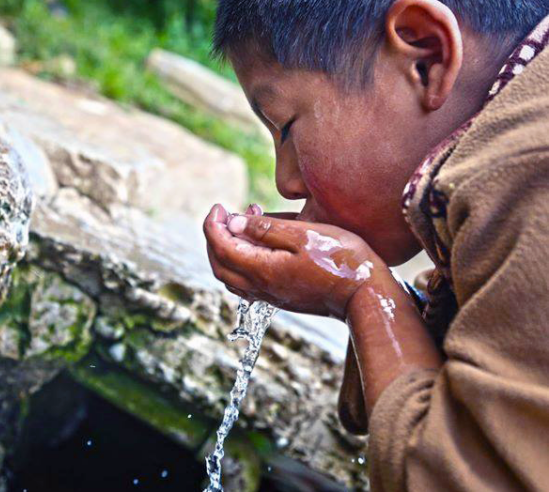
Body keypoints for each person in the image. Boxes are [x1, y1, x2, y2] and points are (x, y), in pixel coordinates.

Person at [202, 0, 549, 490]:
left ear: (425, 58)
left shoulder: (530, 165)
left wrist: (361, 289)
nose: (286, 183)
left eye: (285, 126)